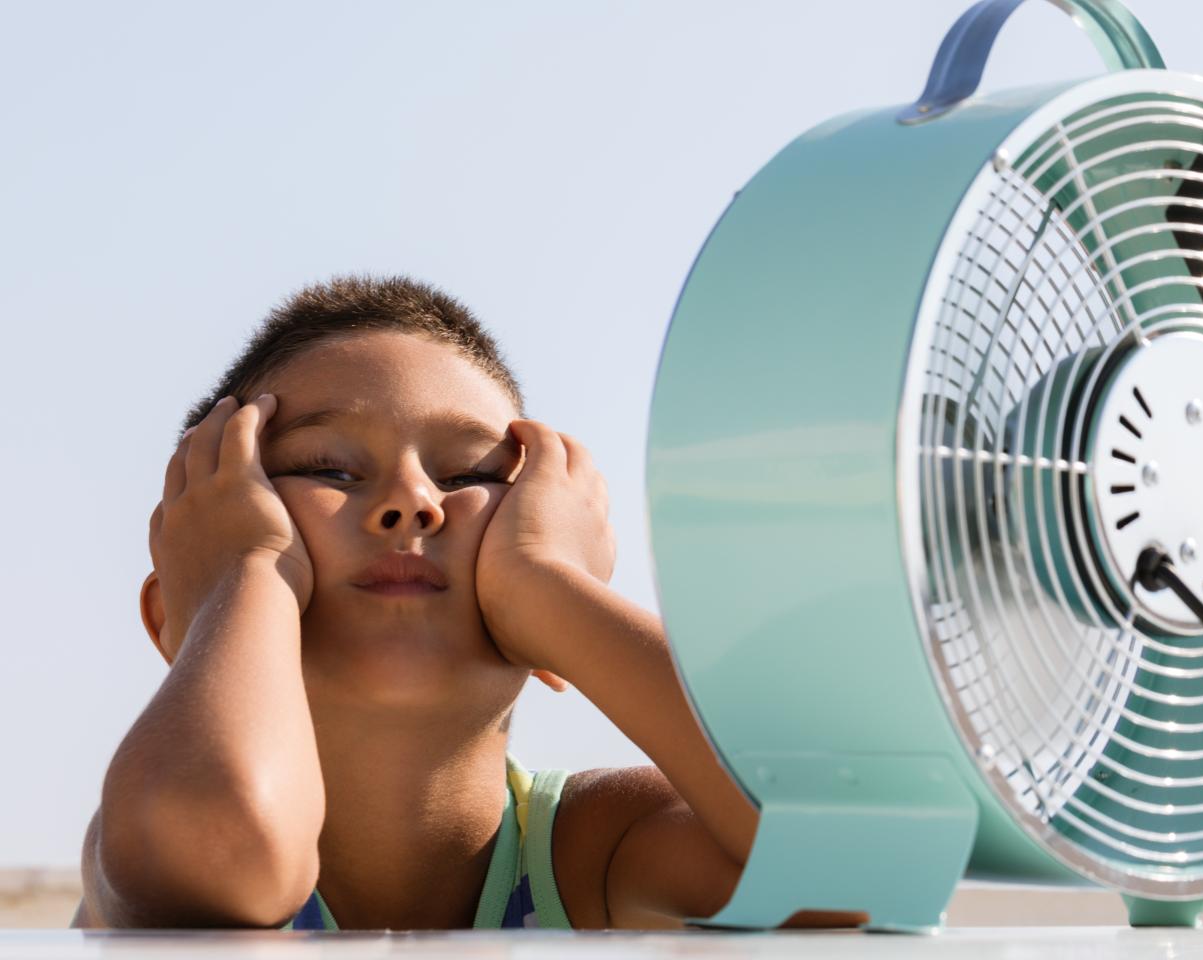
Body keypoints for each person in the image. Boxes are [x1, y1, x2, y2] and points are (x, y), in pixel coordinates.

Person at [72, 275, 758, 930]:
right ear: (181, 620)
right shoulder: (155, 822)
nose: (412, 501)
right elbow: (229, 846)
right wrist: (249, 571)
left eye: (468, 475)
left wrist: (550, 588)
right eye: (327, 469)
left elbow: (845, 852)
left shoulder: (598, 850)